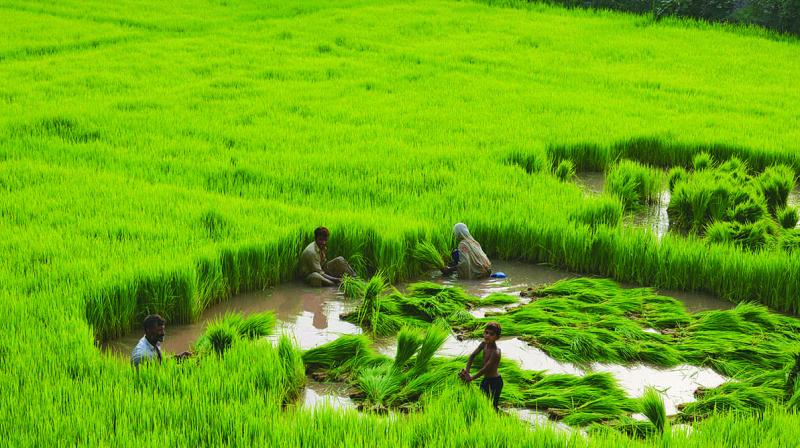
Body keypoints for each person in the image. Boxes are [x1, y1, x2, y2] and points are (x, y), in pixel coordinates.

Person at [460, 322, 503, 411]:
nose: (487, 336)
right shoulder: (484, 344)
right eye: (486, 332)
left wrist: (471, 378)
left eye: (491, 334)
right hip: (486, 380)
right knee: (482, 402)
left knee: (492, 407)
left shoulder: (496, 352)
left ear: (497, 337)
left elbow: (485, 369)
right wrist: (467, 372)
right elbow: (472, 356)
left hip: (495, 382)